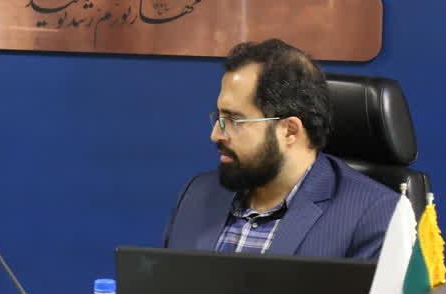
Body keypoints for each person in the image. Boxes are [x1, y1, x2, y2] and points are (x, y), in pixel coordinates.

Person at [164, 39, 397, 260]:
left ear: (290, 131)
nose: (215, 134)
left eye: (234, 120)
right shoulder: (197, 195)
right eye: (219, 117)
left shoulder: (371, 216)